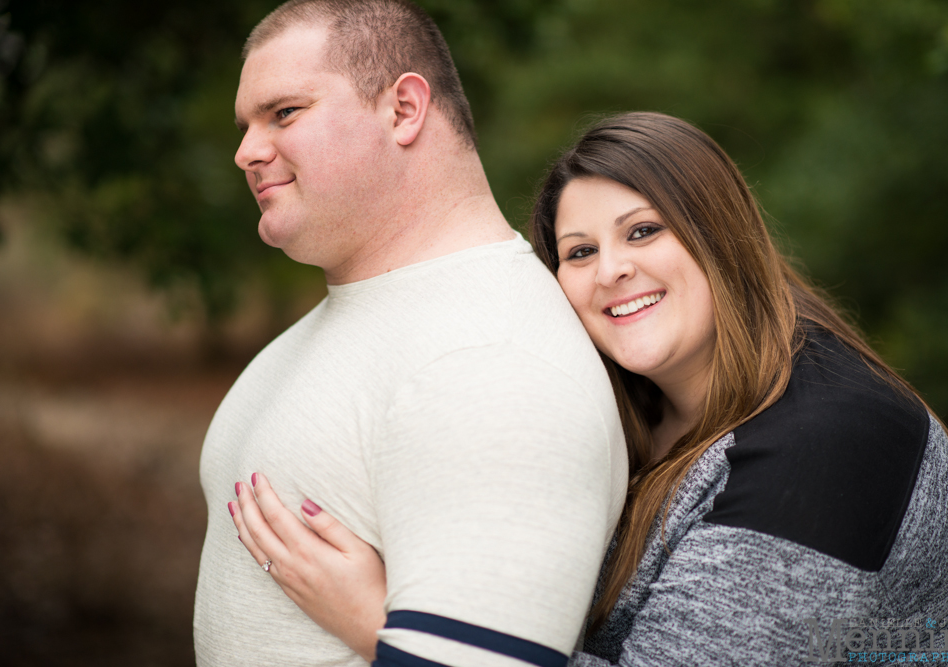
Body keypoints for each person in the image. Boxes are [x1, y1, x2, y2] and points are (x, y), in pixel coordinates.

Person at [231, 111, 948, 665]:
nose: (611, 269)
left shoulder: (833, 438)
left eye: (644, 231)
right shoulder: (623, 412)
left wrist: (378, 618)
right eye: (579, 251)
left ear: (720, 234)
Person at [195, 1, 629, 666]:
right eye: (246, 124)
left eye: (284, 113)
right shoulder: (361, 318)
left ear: (403, 109)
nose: (246, 151)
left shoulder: (495, 360)